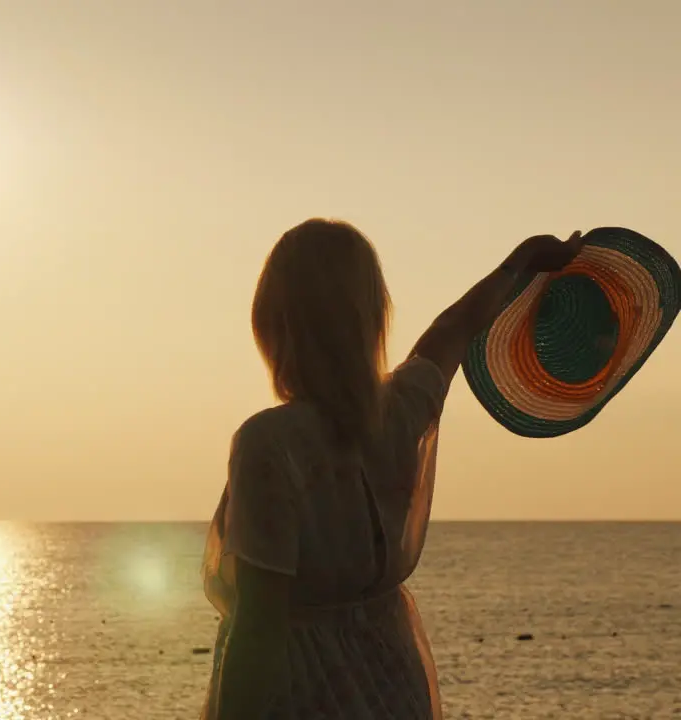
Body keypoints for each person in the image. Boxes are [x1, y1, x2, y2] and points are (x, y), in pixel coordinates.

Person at [200, 220, 585, 719]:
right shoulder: (401, 411)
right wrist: (522, 262)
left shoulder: (268, 444)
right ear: (372, 320)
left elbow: (259, 628)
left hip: (302, 697)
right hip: (392, 682)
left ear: (275, 324)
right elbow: (455, 328)